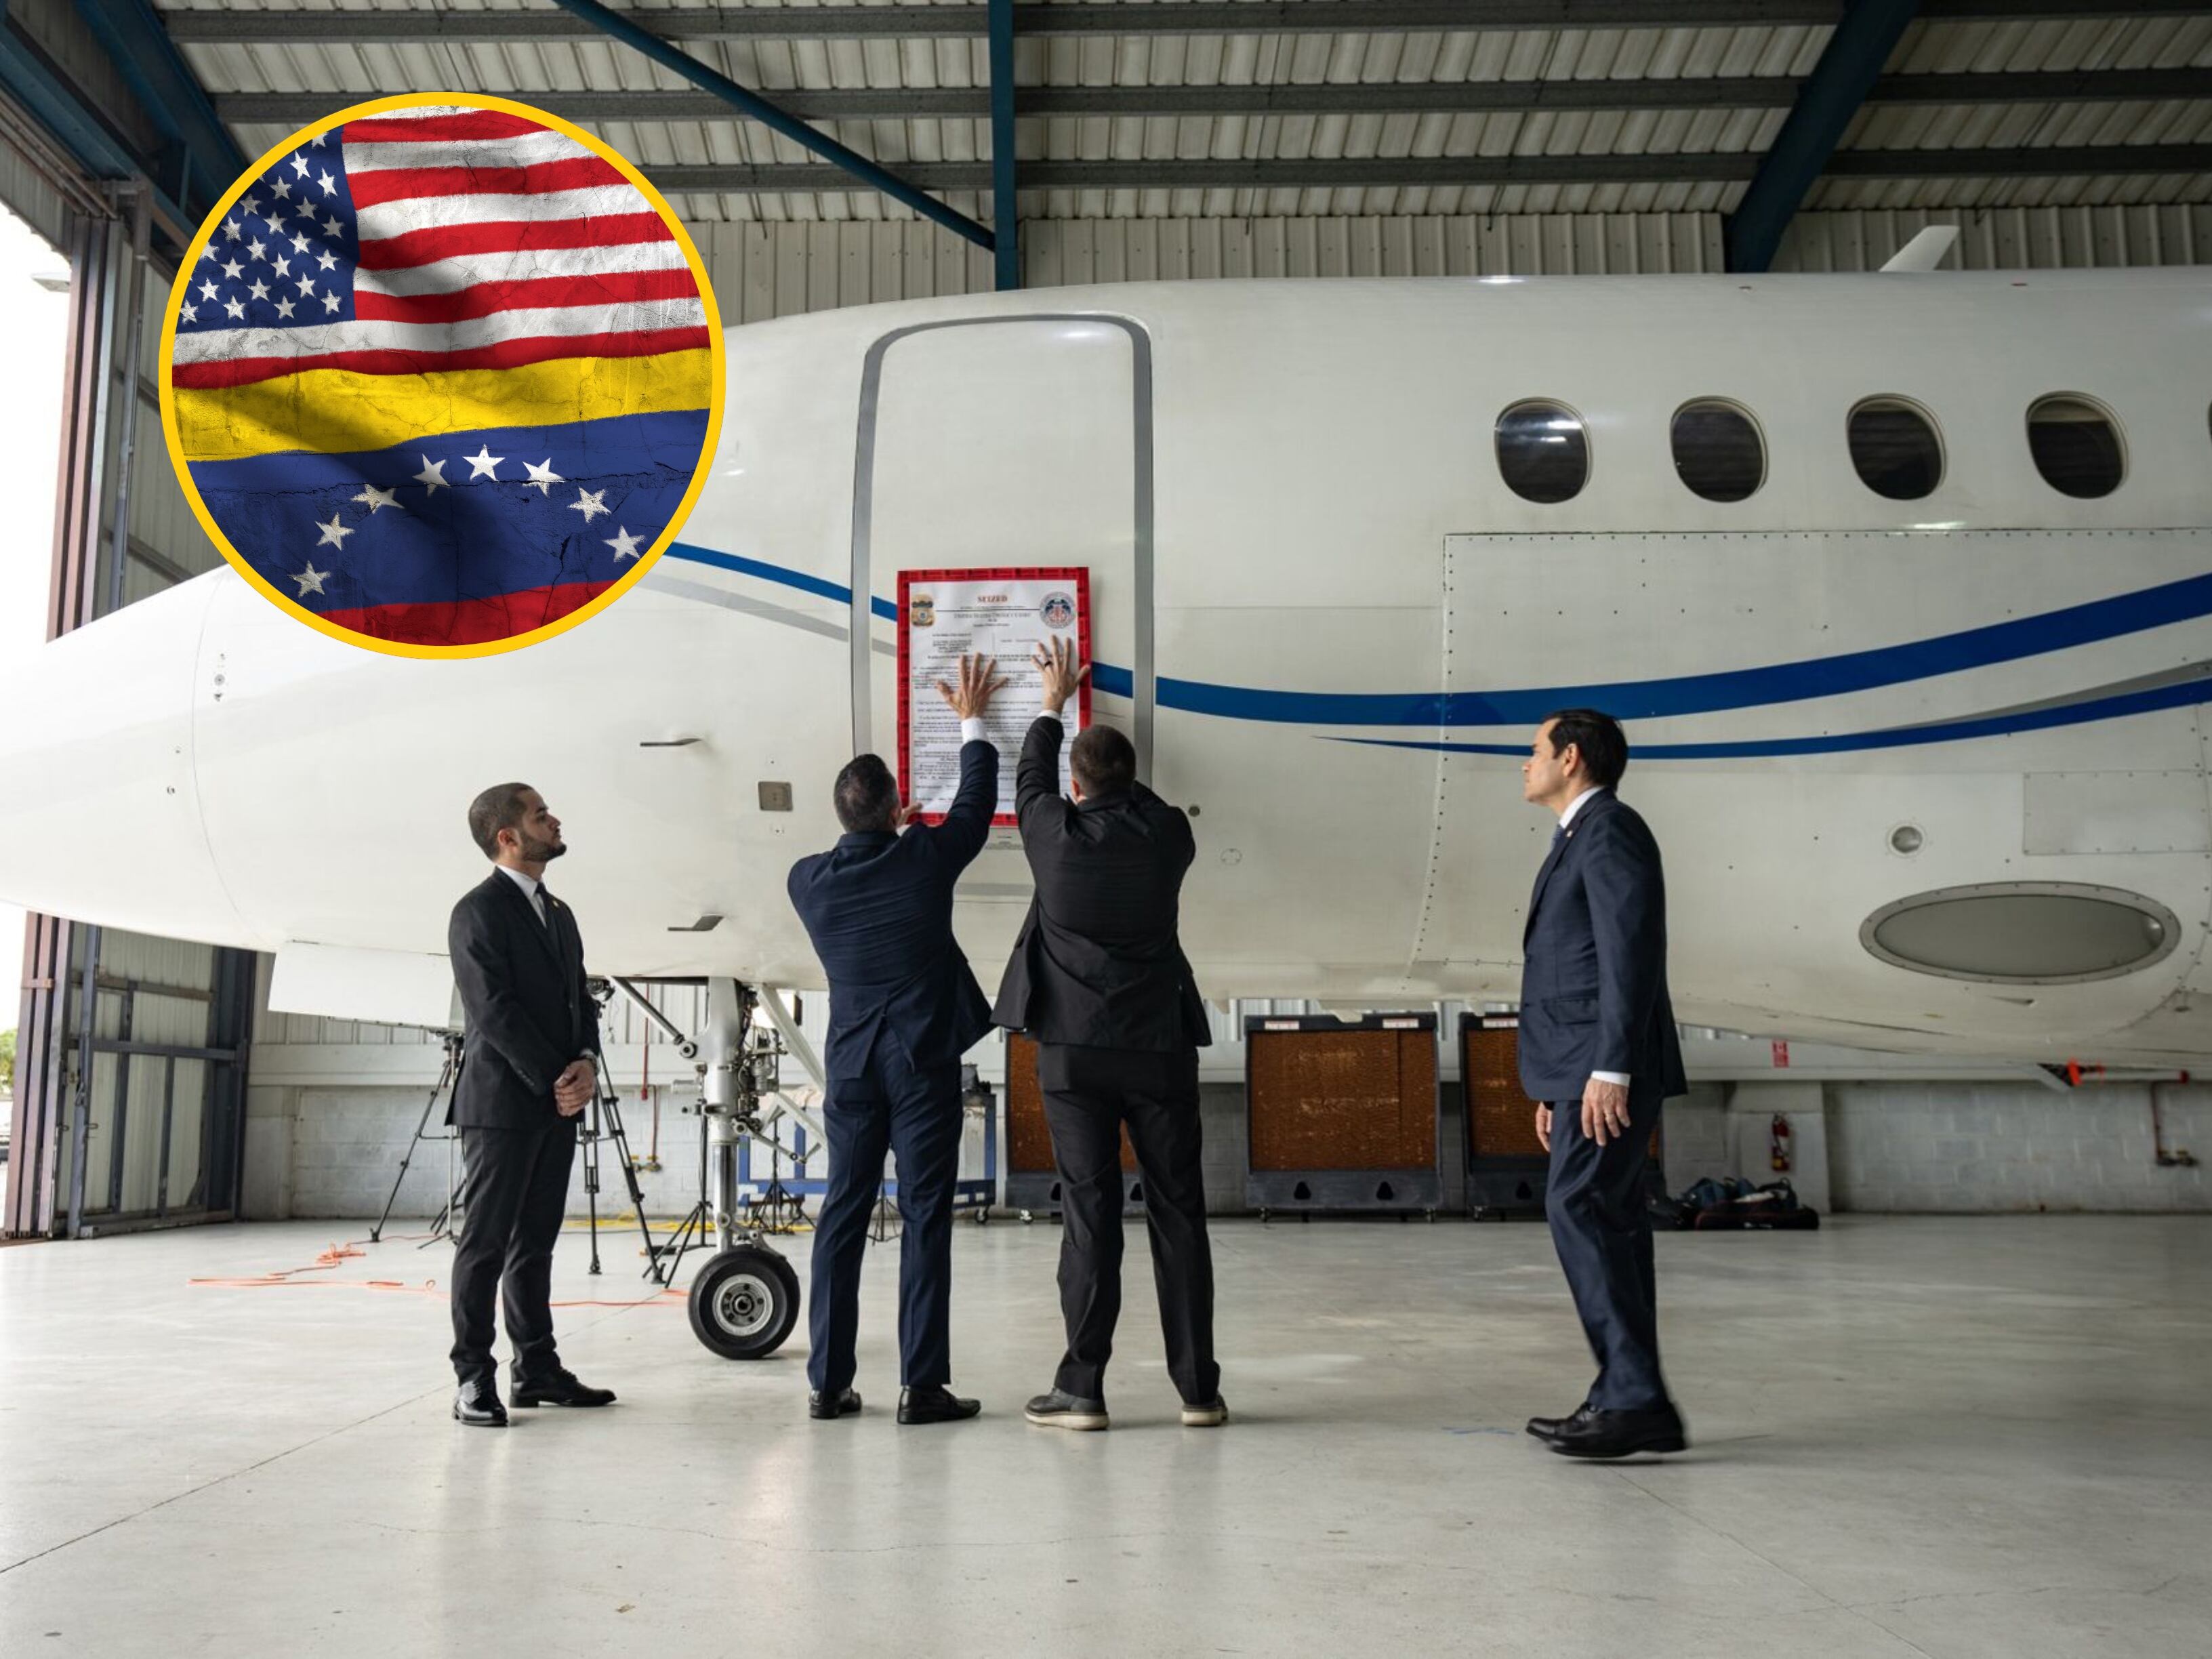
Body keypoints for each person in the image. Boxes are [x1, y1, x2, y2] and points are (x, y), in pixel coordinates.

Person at [996, 637, 1224, 1433]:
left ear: (1073, 786)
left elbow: (1028, 774)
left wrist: (1054, 702)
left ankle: (1083, 1389)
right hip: (1159, 1048)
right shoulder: (1169, 838)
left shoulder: (1049, 835)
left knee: (1091, 1218)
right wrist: (1111, 770)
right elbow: (1147, 807)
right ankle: (1198, 1390)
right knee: (1179, 1215)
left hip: (1073, 1055)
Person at [786, 653, 1005, 1426]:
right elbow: (977, 804)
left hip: (850, 1070)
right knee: (925, 1216)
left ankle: (828, 1385)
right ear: (896, 809)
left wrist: (894, 836)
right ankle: (922, 1386)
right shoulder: (923, 860)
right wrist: (972, 718)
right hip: (920, 1064)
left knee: (841, 1219)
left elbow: (859, 860)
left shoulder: (806, 881)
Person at [1516, 710, 1689, 1459]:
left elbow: (1630, 954)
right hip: (1581, 1068)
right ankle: (1627, 1394)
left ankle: (1635, 1397)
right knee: (1607, 1216)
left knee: (1580, 1204)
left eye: (1534, 752)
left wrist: (1608, 1068)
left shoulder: (1611, 831)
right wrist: (1561, 1087)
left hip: (1604, 1063)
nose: (1525, 765)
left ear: (1572, 758)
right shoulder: (1579, 837)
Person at [446, 784, 615, 1427]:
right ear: (508, 838)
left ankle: (536, 1369)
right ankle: (472, 1379)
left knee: (535, 1244)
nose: (555, 820)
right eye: (541, 815)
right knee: (485, 1246)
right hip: (501, 1106)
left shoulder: (559, 913)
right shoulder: (477, 913)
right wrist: (556, 1076)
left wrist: (586, 1063)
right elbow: (494, 1012)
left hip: (554, 1102)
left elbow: (579, 997)